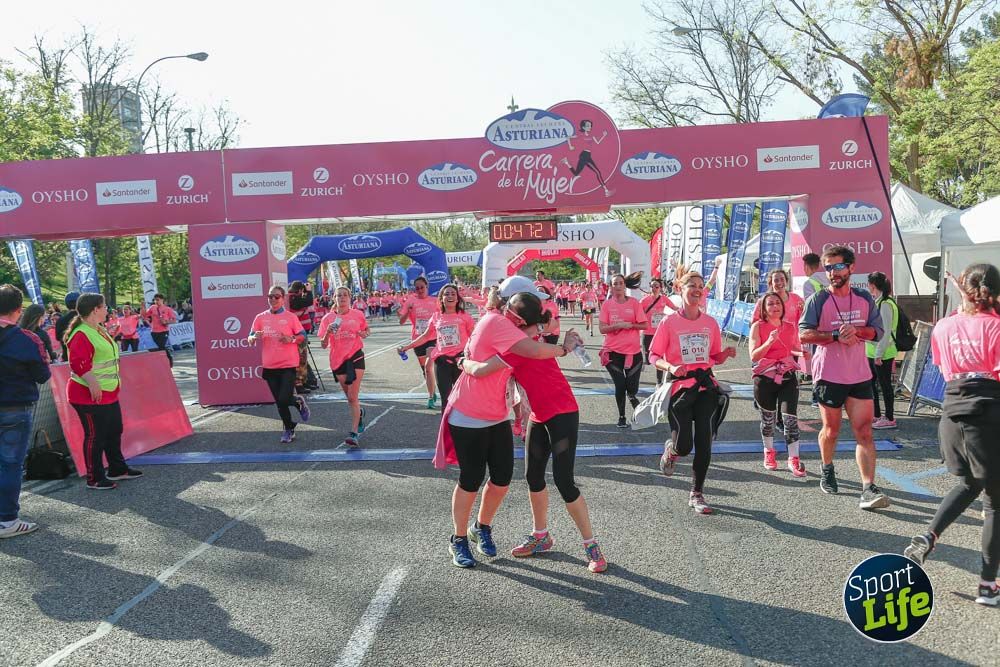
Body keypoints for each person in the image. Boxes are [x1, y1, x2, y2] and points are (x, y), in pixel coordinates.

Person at [433, 280, 575, 569]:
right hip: (469, 413)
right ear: (513, 308)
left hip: (497, 413)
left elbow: (522, 354)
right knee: (471, 480)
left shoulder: (507, 324)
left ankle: (481, 527)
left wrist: (519, 405)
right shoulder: (497, 323)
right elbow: (532, 351)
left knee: (501, 479)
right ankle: (458, 539)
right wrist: (564, 348)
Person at [460, 301, 606, 572]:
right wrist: (565, 339)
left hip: (563, 413)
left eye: (508, 313)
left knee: (565, 481)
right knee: (533, 477)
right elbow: (548, 326)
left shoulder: (518, 348)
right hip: (538, 417)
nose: (502, 317)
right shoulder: (525, 339)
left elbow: (480, 370)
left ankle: (591, 545)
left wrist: (464, 361)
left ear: (515, 320)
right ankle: (541, 536)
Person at [904, 263, 1000, 605]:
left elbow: (946, 370)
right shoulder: (996, 326)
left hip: (952, 411)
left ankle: (928, 537)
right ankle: (988, 585)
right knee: (994, 503)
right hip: (987, 412)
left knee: (968, 484)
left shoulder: (944, 326)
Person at [799, 246, 888, 509]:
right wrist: (836, 335)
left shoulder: (863, 298)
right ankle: (827, 468)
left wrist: (857, 331)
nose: (832, 272)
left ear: (851, 267)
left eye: (838, 266)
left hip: (859, 374)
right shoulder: (818, 300)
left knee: (864, 431)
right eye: (828, 268)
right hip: (829, 375)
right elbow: (804, 334)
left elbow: (877, 332)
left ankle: (868, 487)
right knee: (832, 431)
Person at [649, 271, 737, 514]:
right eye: (692, 286)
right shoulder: (669, 322)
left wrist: (724, 354)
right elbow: (653, 355)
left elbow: (713, 356)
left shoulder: (710, 323)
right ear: (680, 288)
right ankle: (672, 450)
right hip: (680, 390)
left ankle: (697, 493)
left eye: (700, 286)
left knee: (704, 442)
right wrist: (670, 366)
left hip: (706, 387)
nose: (697, 290)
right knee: (685, 445)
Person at [64, 293, 143, 490]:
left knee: (114, 430)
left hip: (107, 392)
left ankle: (117, 468)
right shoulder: (82, 333)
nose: (107, 309)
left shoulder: (97, 329)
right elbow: (78, 363)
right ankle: (94, 477)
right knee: (95, 436)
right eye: (104, 306)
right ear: (95, 310)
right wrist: (92, 383)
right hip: (88, 394)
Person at [0, 285, 51, 537]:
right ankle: (7, 519)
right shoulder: (28, 339)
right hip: (14, 409)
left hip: (13, 408)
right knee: (10, 464)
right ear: (19, 310)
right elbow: (43, 375)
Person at [749, 292, 805, 477]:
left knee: (790, 419)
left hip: (787, 376)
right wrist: (769, 341)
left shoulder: (789, 327)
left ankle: (794, 459)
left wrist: (804, 352)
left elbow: (793, 347)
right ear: (764, 309)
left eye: (778, 303)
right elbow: (754, 355)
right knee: (768, 419)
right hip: (765, 378)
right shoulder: (758, 326)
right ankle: (769, 452)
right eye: (770, 304)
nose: (775, 306)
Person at [249, 286, 310, 444]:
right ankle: (289, 428)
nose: (273, 299)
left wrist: (291, 339)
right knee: (279, 402)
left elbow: (303, 335)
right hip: (269, 365)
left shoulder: (290, 317)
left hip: (288, 363)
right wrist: (254, 337)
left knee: (283, 398)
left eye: (277, 296)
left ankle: (297, 401)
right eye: (270, 296)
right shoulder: (260, 317)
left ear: (283, 299)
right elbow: (250, 336)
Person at [399, 284, 475, 409]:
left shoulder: (465, 316)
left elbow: (474, 338)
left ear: (457, 299)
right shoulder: (436, 317)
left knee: (462, 398)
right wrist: (407, 347)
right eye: (446, 294)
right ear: (441, 298)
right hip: (442, 362)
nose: (450, 296)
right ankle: (447, 427)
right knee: (446, 398)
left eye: (453, 294)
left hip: (460, 361)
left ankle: (462, 427)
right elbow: (425, 336)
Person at [318, 287, 369, 447]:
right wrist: (327, 333)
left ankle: (354, 433)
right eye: (339, 295)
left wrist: (365, 333)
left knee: (353, 396)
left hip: (355, 356)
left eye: (345, 295)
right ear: (334, 298)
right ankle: (359, 413)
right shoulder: (328, 318)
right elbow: (323, 344)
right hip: (337, 360)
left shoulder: (358, 314)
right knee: (349, 397)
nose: (342, 298)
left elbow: (366, 329)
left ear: (350, 298)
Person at [599, 274, 649, 429]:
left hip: (633, 353)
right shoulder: (607, 305)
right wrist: (616, 326)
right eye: (615, 284)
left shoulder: (634, 303)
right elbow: (602, 329)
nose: (618, 286)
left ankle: (632, 396)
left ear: (625, 285)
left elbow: (644, 325)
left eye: (621, 283)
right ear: (611, 287)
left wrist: (630, 325)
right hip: (612, 352)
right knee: (620, 385)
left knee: (632, 388)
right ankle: (622, 417)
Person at [398, 276, 439, 409]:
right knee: (425, 370)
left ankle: (430, 397)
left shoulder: (435, 301)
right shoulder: (411, 301)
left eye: (422, 287)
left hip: (433, 338)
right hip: (417, 339)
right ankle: (432, 391)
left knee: (428, 367)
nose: (420, 290)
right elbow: (401, 321)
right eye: (417, 288)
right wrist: (408, 312)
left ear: (427, 286)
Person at [865, 272, 898, 429]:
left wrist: (879, 354)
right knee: (872, 385)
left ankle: (890, 417)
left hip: (883, 353)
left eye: (869, 284)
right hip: (873, 352)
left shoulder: (885, 303)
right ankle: (876, 414)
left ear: (873, 285)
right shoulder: (880, 302)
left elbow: (885, 332)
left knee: (885, 386)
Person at [560, 119, 612, 197]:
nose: (590, 127)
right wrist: (570, 146)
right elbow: (568, 137)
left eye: (590, 125)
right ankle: (606, 191)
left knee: (576, 173)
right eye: (588, 126)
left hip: (588, 155)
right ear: (583, 127)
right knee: (597, 172)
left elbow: (598, 142)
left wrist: (603, 136)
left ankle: (567, 162)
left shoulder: (592, 135)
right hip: (584, 155)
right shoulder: (580, 135)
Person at [286, 281, 317, 393]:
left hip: (302, 332)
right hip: (298, 333)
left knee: (302, 359)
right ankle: (299, 384)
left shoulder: (295, 297)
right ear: (299, 290)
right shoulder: (292, 298)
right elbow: (308, 301)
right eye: (302, 291)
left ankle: (305, 381)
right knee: (300, 360)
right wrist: (308, 292)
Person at [640, 278, 668, 384]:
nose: (654, 288)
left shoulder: (664, 299)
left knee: (658, 358)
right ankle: (642, 363)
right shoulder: (645, 300)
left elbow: (675, 308)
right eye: (652, 286)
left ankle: (658, 382)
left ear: (661, 288)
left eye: (656, 286)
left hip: (659, 333)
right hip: (647, 332)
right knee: (647, 359)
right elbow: (637, 311)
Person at [144, 293, 177, 367]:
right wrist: (143, 308)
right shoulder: (152, 307)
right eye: (155, 300)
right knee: (160, 347)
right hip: (154, 331)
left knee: (161, 346)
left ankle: (169, 359)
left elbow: (174, 320)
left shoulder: (167, 309)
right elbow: (145, 315)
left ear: (162, 300)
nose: (156, 301)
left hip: (164, 331)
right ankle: (163, 360)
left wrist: (166, 322)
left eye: (158, 300)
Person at [54, 292, 79, 362]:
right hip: (85, 358)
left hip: (67, 357)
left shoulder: (60, 320)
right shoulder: (86, 319)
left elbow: (58, 337)